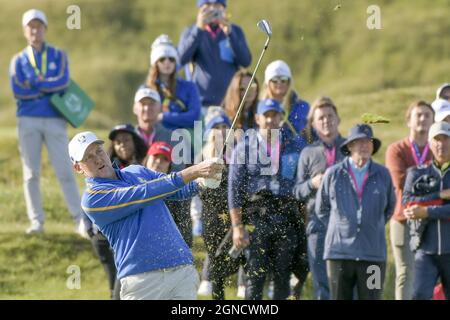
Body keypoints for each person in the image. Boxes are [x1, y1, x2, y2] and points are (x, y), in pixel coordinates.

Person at [69, 131, 223, 300]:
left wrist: (204, 181)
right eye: (88, 157)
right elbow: (144, 193)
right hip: (142, 281)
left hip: (181, 270)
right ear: (78, 167)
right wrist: (194, 171)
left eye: (98, 151)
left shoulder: (137, 171)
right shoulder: (92, 199)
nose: (97, 158)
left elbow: (178, 190)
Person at [9, 9, 89, 237]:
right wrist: (45, 85)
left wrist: (34, 84)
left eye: (38, 26)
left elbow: (62, 82)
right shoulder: (18, 60)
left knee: (65, 170)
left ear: (45, 29)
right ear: (25, 31)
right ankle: (36, 222)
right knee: (30, 173)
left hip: (55, 119)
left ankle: (79, 220)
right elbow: (18, 90)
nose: (35, 30)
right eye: (30, 27)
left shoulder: (58, 55)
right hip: (28, 120)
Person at [229, 99, 299, 300]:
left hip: (285, 218)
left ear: (281, 118)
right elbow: (234, 191)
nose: (270, 120)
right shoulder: (244, 148)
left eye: (274, 115)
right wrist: (237, 226)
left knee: (282, 276)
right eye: (266, 115)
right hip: (255, 219)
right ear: (258, 118)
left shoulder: (291, 146)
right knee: (255, 276)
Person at [316, 124, 395, 300]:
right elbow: (322, 209)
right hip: (339, 253)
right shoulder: (333, 174)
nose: (364, 145)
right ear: (349, 146)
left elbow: (389, 208)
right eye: (359, 142)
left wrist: (371, 224)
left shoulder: (383, 174)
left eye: (368, 141)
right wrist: (341, 226)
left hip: (373, 254)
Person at [293, 96, 346, 300]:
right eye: (321, 118)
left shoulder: (350, 148)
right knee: (322, 284)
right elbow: (297, 191)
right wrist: (312, 184)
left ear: (338, 119)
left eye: (330, 116)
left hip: (346, 225)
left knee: (345, 282)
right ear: (314, 124)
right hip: (317, 225)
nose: (326, 121)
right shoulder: (308, 153)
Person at [385, 101, 434, 300]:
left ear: (433, 120)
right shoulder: (396, 150)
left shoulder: (439, 149)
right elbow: (401, 182)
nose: (422, 119)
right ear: (408, 121)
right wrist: (434, 185)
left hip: (433, 219)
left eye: (427, 115)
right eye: (418, 115)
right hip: (403, 218)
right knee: (406, 272)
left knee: (430, 274)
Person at [403, 121, 450, 300]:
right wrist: (440, 195)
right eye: (437, 139)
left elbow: (420, 207)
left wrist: (427, 211)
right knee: (420, 295)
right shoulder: (416, 173)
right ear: (430, 143)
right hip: (425, 249)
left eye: (445, 139)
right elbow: (408, 203)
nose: (441, 144)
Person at [178, 0, 252, 110]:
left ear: (224, 8)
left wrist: (230, 34)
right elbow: (181, 59)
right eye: (207, 6)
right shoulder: (190, 32)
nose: (212, 10)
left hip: (230, 105)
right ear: (200, 10)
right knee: (198, 128)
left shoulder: (235, 31)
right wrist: (198, 30)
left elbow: (246, 61)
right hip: (200, 106)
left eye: (217, 6)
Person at [146, 34, 201, 131]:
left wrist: (164, 117)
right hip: (156, 139)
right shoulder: (147, 90)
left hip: (184, 141)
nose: (167, 62)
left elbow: (194, 117)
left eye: (171, 59)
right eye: (162, 59)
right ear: (155, 63)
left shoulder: (190, 87)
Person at [144, 141, 193, 247]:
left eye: (164, 159)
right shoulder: (131, 182)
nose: (158, 162)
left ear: (169, 165)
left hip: (167, 247)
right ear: (147, 158)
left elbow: (184, 227)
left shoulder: (176, 189)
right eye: (156, 156)